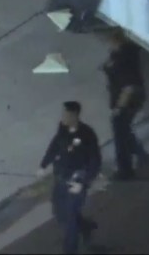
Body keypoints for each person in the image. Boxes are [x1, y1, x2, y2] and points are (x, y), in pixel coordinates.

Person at [37, 101, 101, 255]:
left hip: (76, 179)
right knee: (59, 212)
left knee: (70, 218)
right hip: (60, 177)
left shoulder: (87, 134)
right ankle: (85, 227)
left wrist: (83, 182)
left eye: (66, 114)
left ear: (74, 116)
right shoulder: (63, 130)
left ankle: (70, 250)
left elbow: (95, 160)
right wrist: (43, 165)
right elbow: (54, 147)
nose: (63, 117)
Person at [102, 31, 149, 180]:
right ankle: (141, 155)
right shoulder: (122, 53)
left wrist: (119, 107)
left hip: (127, 100)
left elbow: (129, 86)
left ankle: (125, 170)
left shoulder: (124, 58)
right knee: (124, 130)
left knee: (120, 134)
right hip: (128, 98)